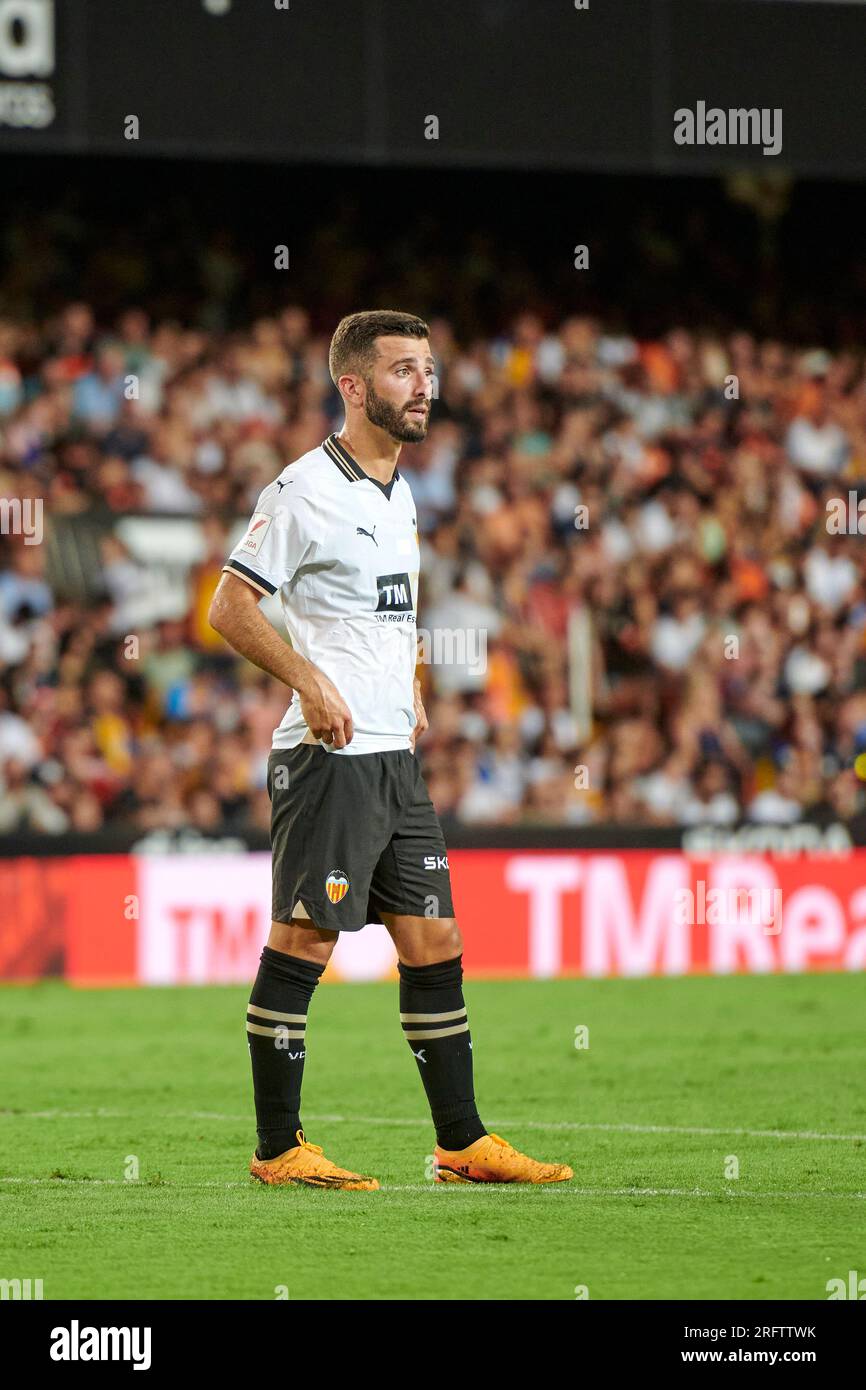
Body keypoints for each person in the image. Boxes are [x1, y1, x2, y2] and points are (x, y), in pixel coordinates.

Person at [208, 309, 573, 1189]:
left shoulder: (400, 492)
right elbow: (229, 607)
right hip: (327, 757)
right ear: (354, 386)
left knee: (434, 937)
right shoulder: (302, 491)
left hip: (390, 756)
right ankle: (277, 1149)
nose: (425, 385)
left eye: (429, 369)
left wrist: (407, 681)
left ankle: (461, 1144)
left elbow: (385, 611)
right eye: (404, 370)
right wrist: (308, 679)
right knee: (304, 943)